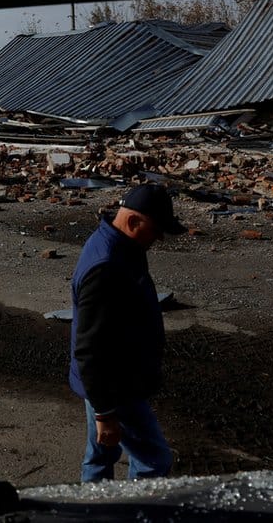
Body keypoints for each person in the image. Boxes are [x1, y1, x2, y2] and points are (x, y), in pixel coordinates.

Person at [68, 183, 186, 481]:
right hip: (116, 385)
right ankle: (135, 506)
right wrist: (105, 413)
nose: (159, 238)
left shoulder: (119, 245)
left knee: (101, 454)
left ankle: (94, 505)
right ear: (133, 221)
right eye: (155, 229)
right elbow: (89, 347)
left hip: (108, 382)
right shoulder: (107, 266)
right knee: (153, 460)